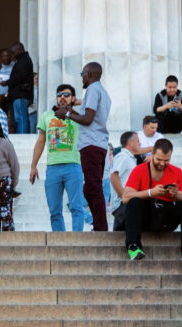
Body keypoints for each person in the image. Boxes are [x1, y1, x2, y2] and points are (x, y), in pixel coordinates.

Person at [121, 139, 182, 261]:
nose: (162, 164)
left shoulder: (176, 171)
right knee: (134, 201)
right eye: (159, 159)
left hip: (166, 215)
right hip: (146, 216)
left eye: (166, 160)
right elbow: (125, 197)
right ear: (152, 154)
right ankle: (133, 246)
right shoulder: (139, 170)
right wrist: (150, 192)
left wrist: (175, 194)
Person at [31, 84, 86, 232]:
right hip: (53, 167)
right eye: (59, 94)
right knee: (54, 210)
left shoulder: (79, 117)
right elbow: (40, 141)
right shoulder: (46, 115)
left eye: (67, 95)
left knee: (76, 206)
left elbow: (94, 103)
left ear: (73, 98)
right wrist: (33, 166)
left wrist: (74, 104)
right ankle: (59, 241)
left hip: (73, 165)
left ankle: (77, 240)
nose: (62, 97)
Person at [64, 62, 112, 231]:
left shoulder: (92, 90)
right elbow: (89, 118)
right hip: (98, 143)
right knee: (91, 188)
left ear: (90, 74)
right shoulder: (103, 93)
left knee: (93, 188)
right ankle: (99, 225)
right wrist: (71, 112)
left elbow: (88, 119)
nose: (82, 77)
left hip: (91, 144)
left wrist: (68, 114)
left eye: (82, 74)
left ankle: (100, 228)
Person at [108, 131, 140, 231]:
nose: (140, 144)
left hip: (127, 204)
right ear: (130, 143)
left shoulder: (130, 158)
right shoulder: (123, 156)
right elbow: (114, 176)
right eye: (138, 141)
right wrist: (123, 196)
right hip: (123, 204)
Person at [154, 75, 182, 147]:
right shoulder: (160, 95)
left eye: (174, 87)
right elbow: (156, 110)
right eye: (170, 87)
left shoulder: (181, 94)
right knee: (159, 114)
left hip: (177, 125)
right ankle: (158, 141)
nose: (172, 90)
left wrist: (180, 106)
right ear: (166, 86)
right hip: (164, 125)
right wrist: (166, 106)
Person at [3, 42, 34, 134]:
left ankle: (23, 136)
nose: (12, 55)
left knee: (21, 118)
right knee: (19, 118)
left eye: (13, 52)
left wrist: (7, 82)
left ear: (20, 50)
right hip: (19, 94)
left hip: (21, 94)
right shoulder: (22, 60)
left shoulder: (24, 61)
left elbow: (18, 76)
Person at [0, 48, 14, 114]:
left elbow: (15, 83)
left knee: (12, 119)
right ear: (1, 57)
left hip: (10, 99)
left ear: (10, 56)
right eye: (3, 56)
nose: (5, 58)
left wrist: (5, 95)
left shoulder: (14, 67)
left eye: (7, 55)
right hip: (0, 100)